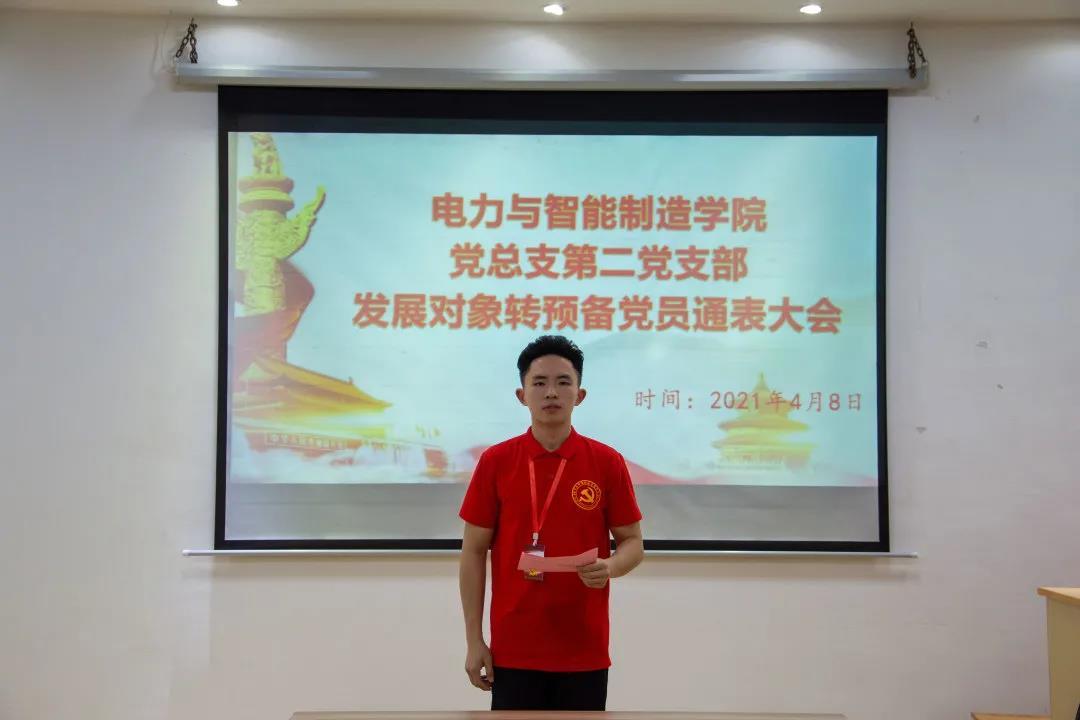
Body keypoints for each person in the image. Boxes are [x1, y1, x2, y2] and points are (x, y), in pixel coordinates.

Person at [458, 335, 645, 711]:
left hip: (584, 648)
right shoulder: (496, 462)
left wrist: (611, 566)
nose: (551, 393)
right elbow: (473, 552)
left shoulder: (606, 462)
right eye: (539, 382)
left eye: (563, 382)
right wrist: (474, 640)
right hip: (513, 647)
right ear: (521, 395)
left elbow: (633, 543)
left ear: (580, 394)